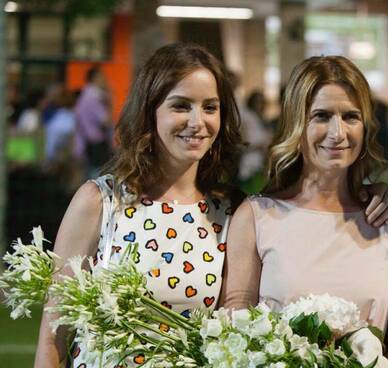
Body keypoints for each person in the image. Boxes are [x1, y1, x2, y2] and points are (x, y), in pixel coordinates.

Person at [34, 43, 243, 367]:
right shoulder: (100, 201)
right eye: (181, 106)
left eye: (210, 107)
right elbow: (54, 333)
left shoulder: (230, 214)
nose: (197, 121)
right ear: (150, 111)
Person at [223, 55, 388, 366]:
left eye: (351, 116)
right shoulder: (257, 217)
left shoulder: (386, 220)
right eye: (321, 116)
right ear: (296, 122)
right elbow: (234, 326)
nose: (338, 132)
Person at [74, 64, 113, 178]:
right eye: (102, 76)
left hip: (88, 142)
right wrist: (110, 99)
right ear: (95, 78)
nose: (105, 79)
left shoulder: (85, 95)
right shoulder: (94, 97)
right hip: (96, 144)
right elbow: (106, 120)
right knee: (98, 178)